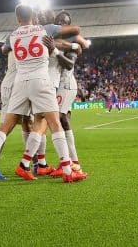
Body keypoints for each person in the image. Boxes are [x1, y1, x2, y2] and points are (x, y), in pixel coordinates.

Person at [0, 4, 86, 183]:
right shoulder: (45, 30)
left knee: (7, 124)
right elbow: (76, 29)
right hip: (40, 80)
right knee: (54, 122)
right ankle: (68, 170)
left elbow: (4, 50)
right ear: (34, 17)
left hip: (20, 82)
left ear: (17, 19)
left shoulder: (12, 35)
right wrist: (67, 42)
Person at [53, 10, 89, 176]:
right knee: (63, 120)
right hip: (59, 84)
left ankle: (72, 163)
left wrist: (55, 51)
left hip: (66, 84)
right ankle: (70, 161)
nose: (61, 23)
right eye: (58, 21)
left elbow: (69, 64)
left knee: (60, 119)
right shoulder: (58, 40)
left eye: (64, 22)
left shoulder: (73, 42)